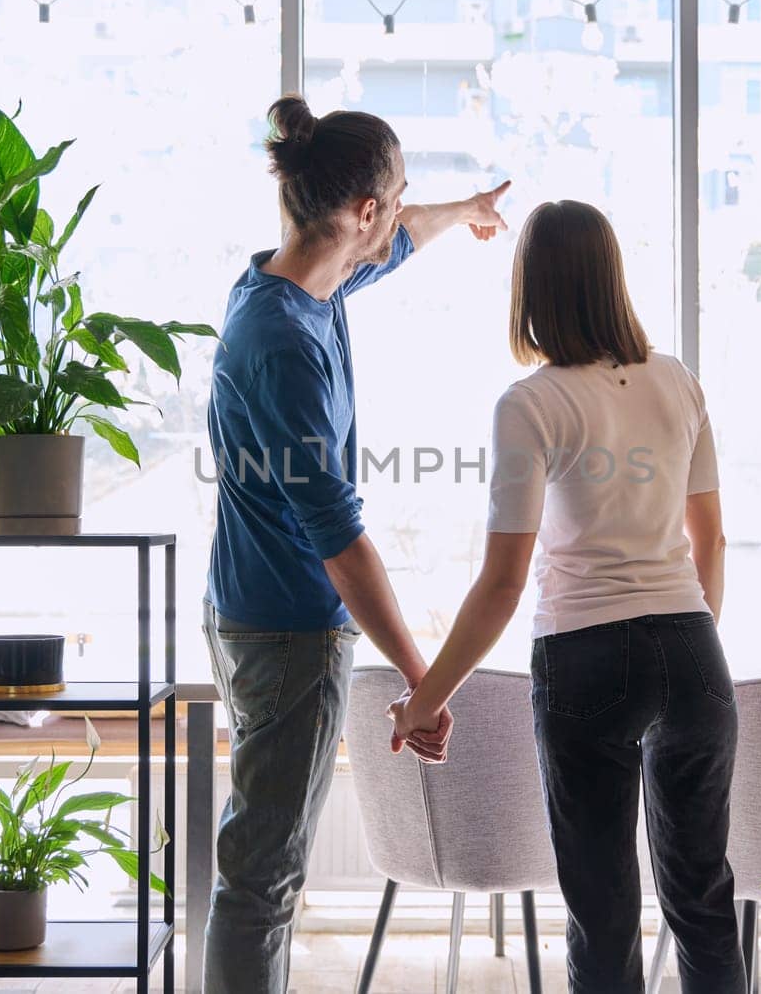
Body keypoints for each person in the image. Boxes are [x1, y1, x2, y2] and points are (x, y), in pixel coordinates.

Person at [389, 200, 745, 993]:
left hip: (586, 656)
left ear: (533, 292)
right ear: (611, 279)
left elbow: (504, 582)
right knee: (703, 899)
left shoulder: (531, 405)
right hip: (693, 646)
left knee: (604, 910)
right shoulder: (678, 381)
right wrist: (681, 649)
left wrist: (424, 700)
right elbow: (711, 538)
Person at [202, 94, 512, 994]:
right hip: (288, 630)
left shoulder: (288, 283)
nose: (405, 211)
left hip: (253, 613)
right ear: (360, 212)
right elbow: (341, 541)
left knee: (260, 860)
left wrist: (465, 213)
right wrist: (423, 678)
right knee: (264, 876)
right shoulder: (285, 342)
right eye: (398, 196)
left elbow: (402, 230)